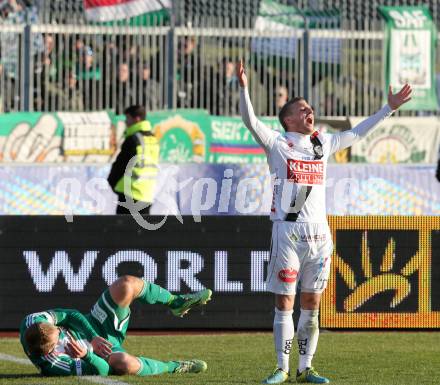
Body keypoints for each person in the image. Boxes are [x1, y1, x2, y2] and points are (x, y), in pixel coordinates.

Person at [236, 60, 412, 384]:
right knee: (285, 301)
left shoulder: (322, 143)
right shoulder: (277, 143)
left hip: (319, 236)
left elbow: (358, 132)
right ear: (288, 118)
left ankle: (306, 367)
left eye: (310, 107)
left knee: (312, 302)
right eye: (302, 108)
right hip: (287, 232)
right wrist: (244, 88)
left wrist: (389, 108)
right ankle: (281, 367)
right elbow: (250, 120)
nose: (309, 111)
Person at [20, 275, 212, 377]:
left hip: (94, 325)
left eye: (59, 329)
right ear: (50, 351)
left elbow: (71, 315)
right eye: (59, 336)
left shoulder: (33, 321)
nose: (62, 332)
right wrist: (87, 355)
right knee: (125, 363)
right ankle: (175, 367)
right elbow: (101, 371)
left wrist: (93, 335)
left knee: (125, 284)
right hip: (100, 354)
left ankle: (176, 302)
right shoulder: (55, 364)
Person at [107, 105, 159, 215]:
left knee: (123, 230)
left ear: (137, 119)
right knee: (141, 230)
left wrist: (111, 181)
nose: (126, 122)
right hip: (147, 194)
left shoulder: (133, 139)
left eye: (128, 119)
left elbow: (121, 165)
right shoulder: (153, 139)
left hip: (130, 194)